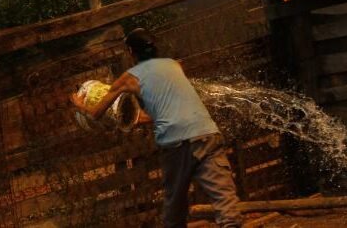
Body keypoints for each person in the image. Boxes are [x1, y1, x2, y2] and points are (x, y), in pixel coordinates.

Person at [70, 28, 242, 228]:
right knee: (225, 201)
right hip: (207, 134)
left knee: (174, 211)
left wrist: (78, 105)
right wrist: (132, 118)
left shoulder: (129, 77)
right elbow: (165, 110)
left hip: (176, 145)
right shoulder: (175, 65)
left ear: (131, 53)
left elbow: (95, 113)